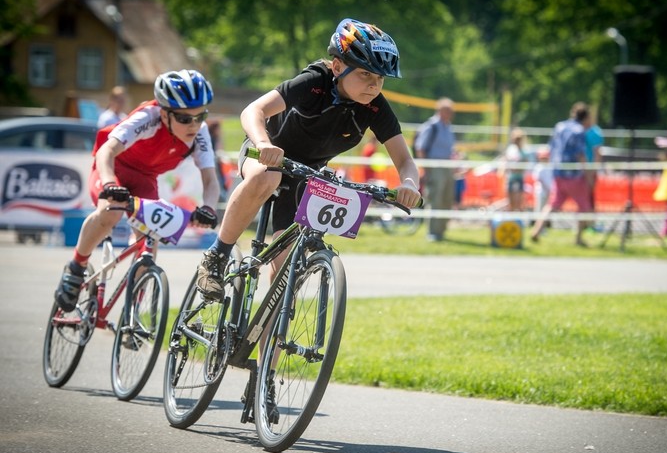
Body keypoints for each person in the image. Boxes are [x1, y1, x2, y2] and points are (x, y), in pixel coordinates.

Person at [196, 18, 421, 302]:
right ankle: (217, 255)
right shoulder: (315, 82)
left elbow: (405, 162)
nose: (374, 85)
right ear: (338, 67)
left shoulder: (374, 106)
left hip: (306, 174)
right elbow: (253, 111)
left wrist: (410, 184)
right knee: (268, 175)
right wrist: (264, 143)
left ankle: (269, 345)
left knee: (284, 279)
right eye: (365, 74)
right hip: (265, 151)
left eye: (380, 78)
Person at [54, 69, 222, 312]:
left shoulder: (200, 133)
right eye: (185, 119)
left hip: (145, 178)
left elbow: (210, 180)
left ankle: (132, 313)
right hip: (114, 168)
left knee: (149, 238)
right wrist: (110, 182)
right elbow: (106, 152)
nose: (194, 125)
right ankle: (76, 267)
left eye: (200, 116)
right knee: (110, 213)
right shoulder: (148, 117)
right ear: (165, 114)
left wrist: (208, 208)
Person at [530, 102, 593, 247]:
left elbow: (550, 148)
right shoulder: (579, 131)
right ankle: (578, 239)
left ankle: (536, 230)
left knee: (552, 205)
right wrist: (588, 175)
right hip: (574, 176)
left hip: (558, 173)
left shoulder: (560, 126)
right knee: (583, 206)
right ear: (585, 117)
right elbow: (580, 155)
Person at [414, 97, 456, 241]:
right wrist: (426, 169)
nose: (451, 113)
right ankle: (432, 232)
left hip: (447, 167)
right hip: (434, 167)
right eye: (448, 110)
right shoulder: (431, 126)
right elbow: (420, 148)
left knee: (446, 199)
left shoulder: (448, 126)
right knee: (435, 199)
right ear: (440, 111)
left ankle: (441, 231)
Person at [500, 127, 529, 212]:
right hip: (510, 178)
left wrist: (517, 169)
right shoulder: (511, 149)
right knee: (510, 202)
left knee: (519, 202)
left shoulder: (524, 151)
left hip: (519, 178)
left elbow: (524, 165)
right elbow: (506, 161)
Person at [584, 117, 603, 210]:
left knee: (589, 196)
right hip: (580, 168)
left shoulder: (595, 132)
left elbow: (597, 154)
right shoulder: (579, 130)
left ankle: (589, 222)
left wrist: (593, 171)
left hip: (589, 169)